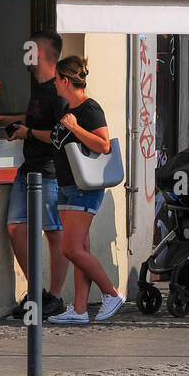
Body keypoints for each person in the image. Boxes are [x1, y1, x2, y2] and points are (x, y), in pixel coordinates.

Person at [0, 30, 68, 320]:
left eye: (32, 49)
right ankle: (37, 293)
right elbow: (33, 118)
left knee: (54, 233)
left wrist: (28, 132)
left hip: (49, 172)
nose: (27, 53)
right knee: (15, 228)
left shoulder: (59, 91)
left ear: (43, 54)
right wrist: (5, 119)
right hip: (28, 169)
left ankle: (55, 297)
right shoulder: (38, 88)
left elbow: (61, 134)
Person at [45, 56, 125, 324]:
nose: (54, 83)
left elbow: (103, 145)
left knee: (70, 249)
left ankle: (111, 292)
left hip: (84, 187)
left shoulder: (90, 109)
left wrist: (76, 128)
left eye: (57, 79)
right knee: (80, 247)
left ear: (65, 80)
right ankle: (79, 310)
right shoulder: (67, 107)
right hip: (67, 185)